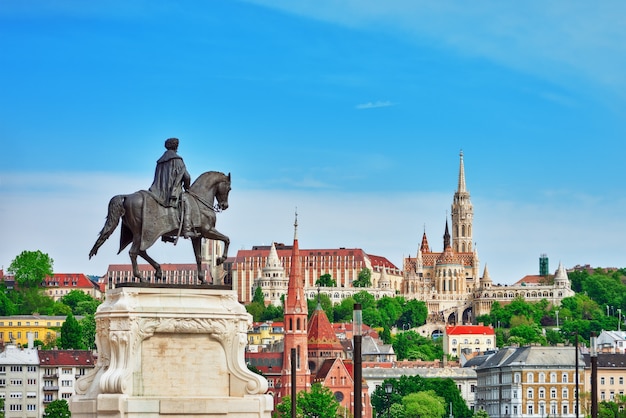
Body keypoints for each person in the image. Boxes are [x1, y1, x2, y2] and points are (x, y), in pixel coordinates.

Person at [149, 138, 195, 238]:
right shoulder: (177, 160)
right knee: (187, 204)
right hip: (172, 192)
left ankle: (165, 234)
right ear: (176, 146)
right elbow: (186, 176)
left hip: (157, 192)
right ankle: (187, 230)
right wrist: (187, 188)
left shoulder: (160, 161)